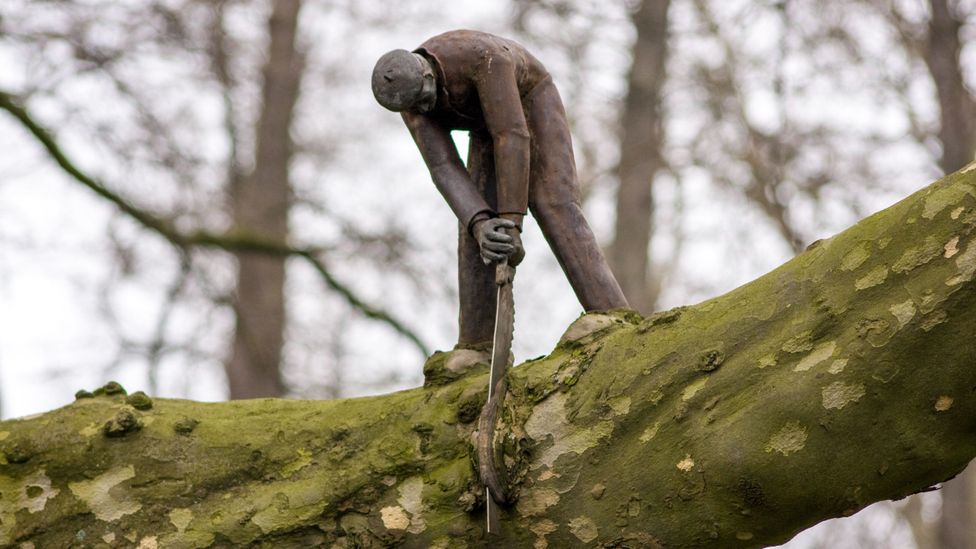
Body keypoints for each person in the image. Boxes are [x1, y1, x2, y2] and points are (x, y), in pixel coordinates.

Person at [372, 30, 628, 351]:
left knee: (553, 202)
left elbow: (511, 133)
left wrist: (512, 221)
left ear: (427, 72)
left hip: (530, 101)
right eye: (417, 107)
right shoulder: (408, 99)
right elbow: (443, 167)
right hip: (485, 129)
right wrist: (481, 224)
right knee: (479, 229)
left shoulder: (481, 56)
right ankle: (476, 345)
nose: (426, 109)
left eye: (426, 98)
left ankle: (609, 312)